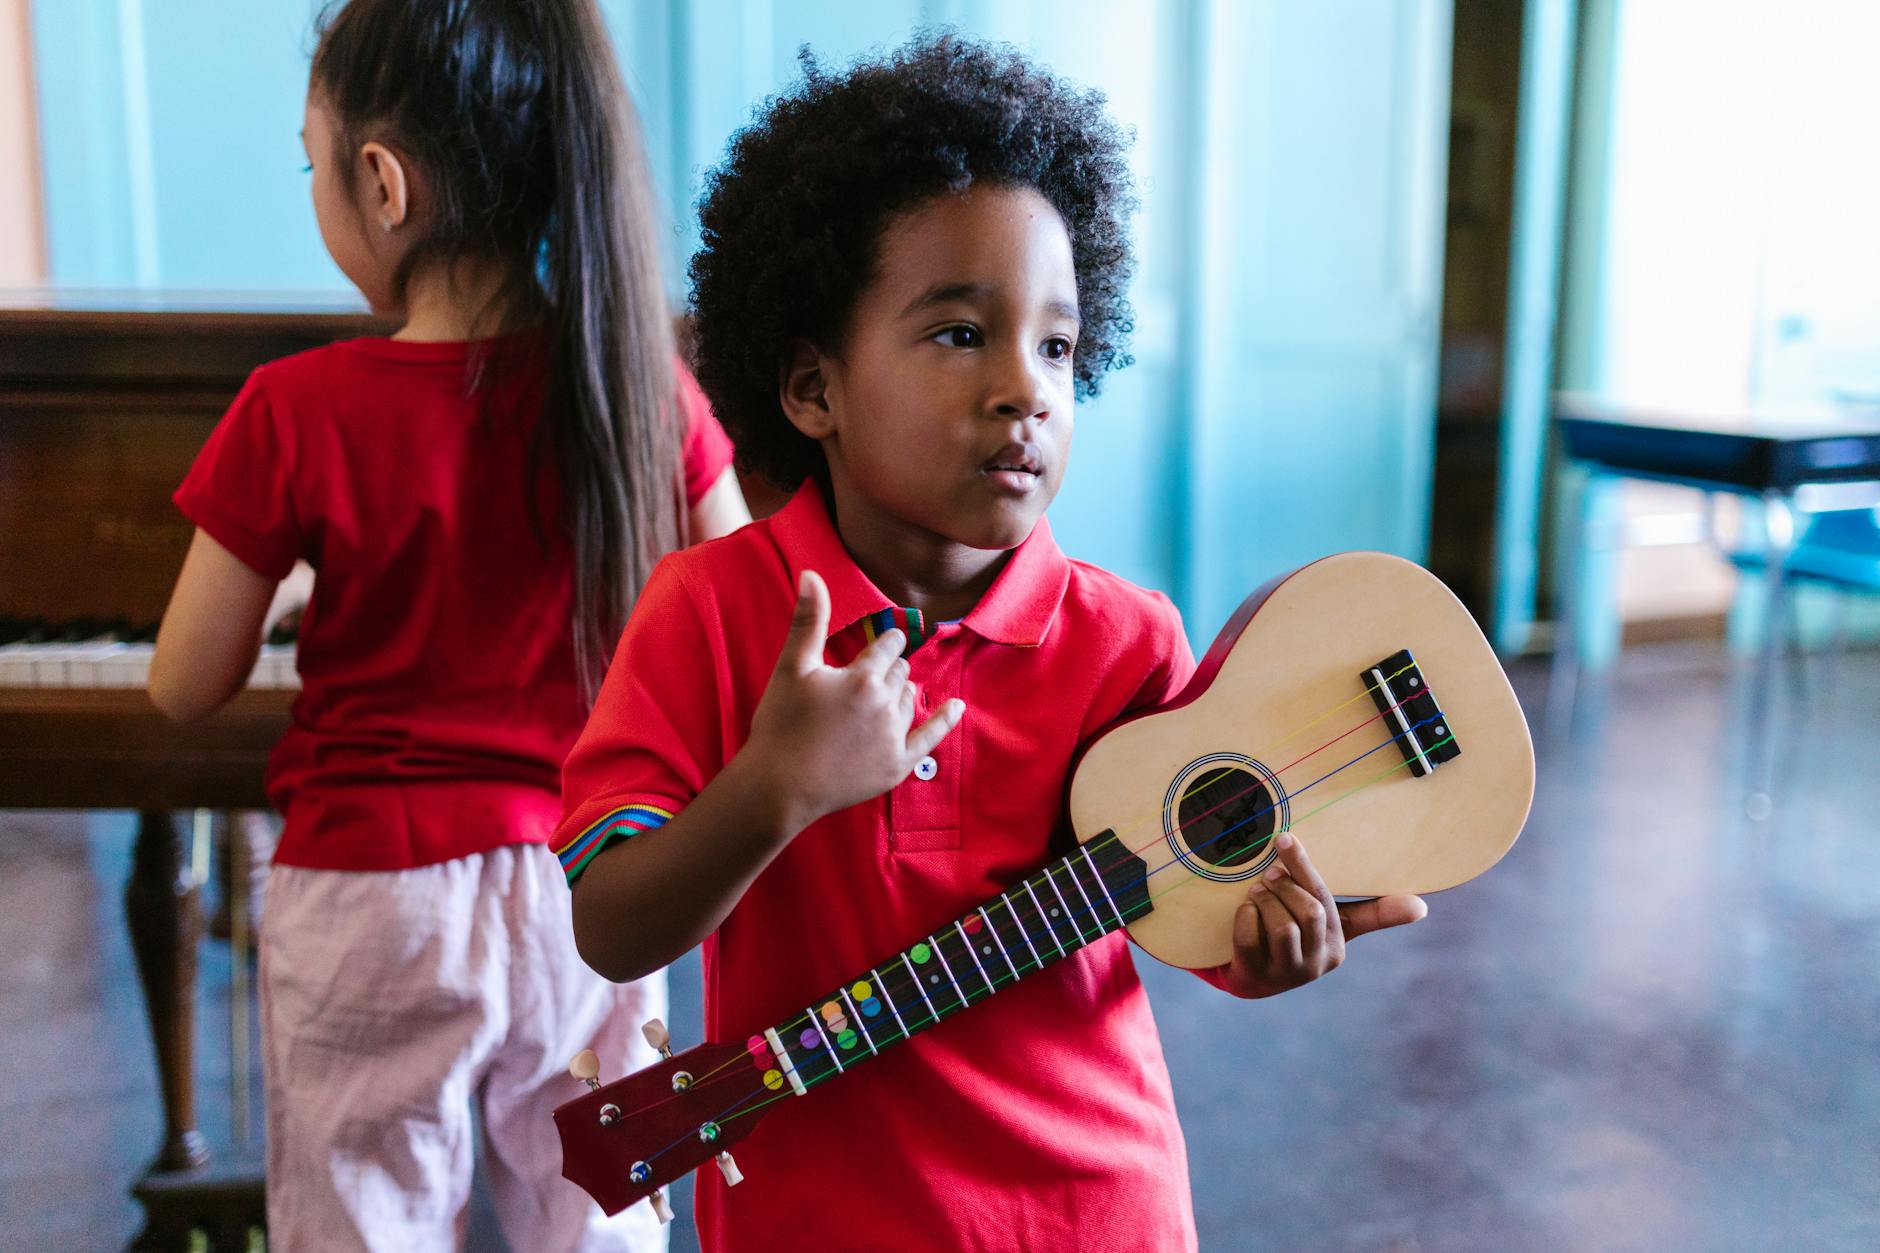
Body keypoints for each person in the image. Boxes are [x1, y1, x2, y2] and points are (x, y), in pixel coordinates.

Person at [558, 34, 1426, 1253]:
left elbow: (1185, 894)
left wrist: (1261, 949)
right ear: (811, 386)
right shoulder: (707, 613)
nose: (1026, 387)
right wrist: (773, 787)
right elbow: (610, 923)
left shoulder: (1125, 639)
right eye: (962, 333)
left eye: (1058, 345)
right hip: (823, 1217)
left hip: (1092, 1207)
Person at [147, 1, 747, 1248]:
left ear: (381, 182)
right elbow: (741, 620)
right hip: (589, 889)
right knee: (600, 1220)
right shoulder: (646, 390)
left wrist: (329, 590)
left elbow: (182, 683)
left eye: (312, 163)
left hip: (369, 898)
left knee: (363, 1220)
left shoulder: (293, 408)